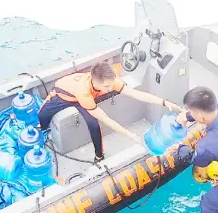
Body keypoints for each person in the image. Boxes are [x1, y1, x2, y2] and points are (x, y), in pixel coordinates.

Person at [37, 61, 182, 162]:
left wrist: (163, 102)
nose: (110, 89)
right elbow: (106, 119)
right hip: (64, 96)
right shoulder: (83, 92)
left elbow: (137, 94)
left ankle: (99, 155)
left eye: (111, 85)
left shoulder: (109, 83)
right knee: (42, 115)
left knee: (93, 125)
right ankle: (43, 129)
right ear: (95, 82)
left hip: (90, 96)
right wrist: (130, 135)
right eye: (107, 86)